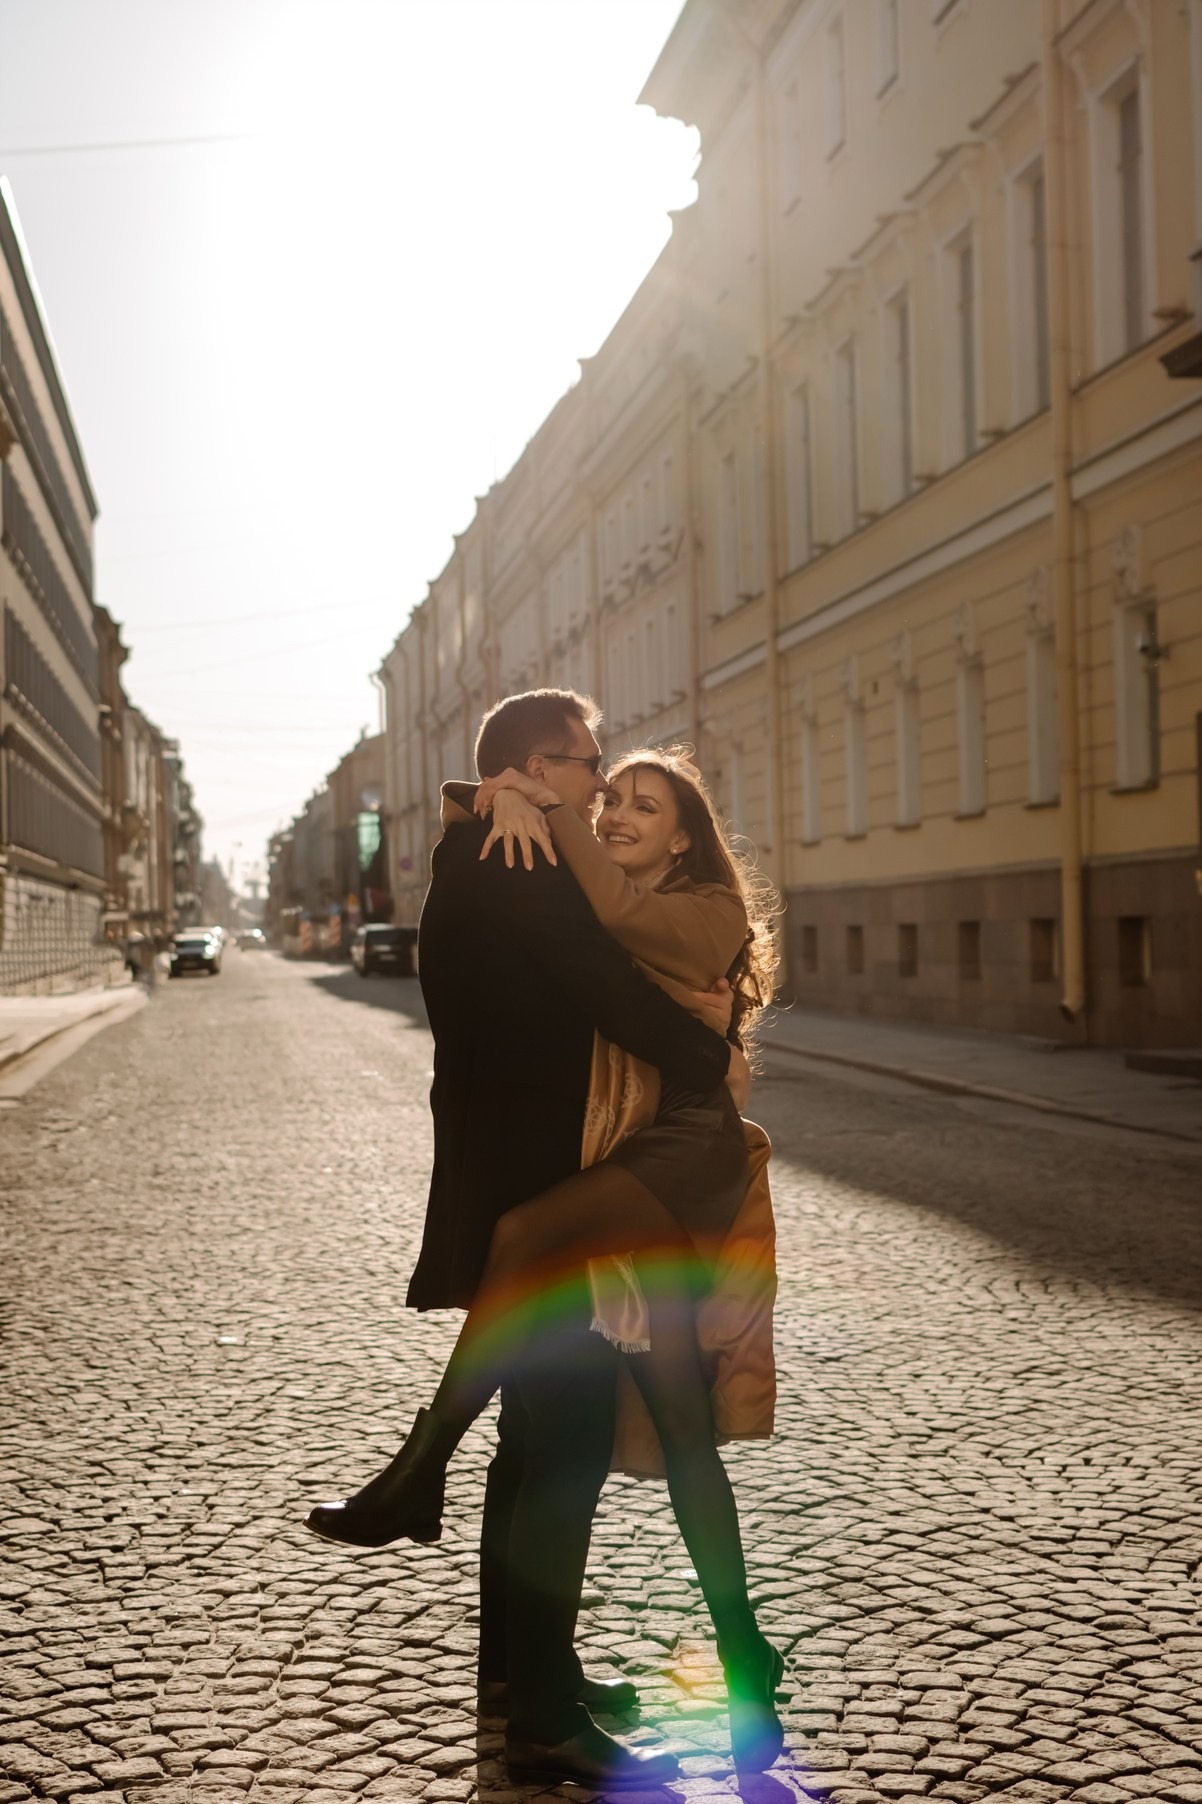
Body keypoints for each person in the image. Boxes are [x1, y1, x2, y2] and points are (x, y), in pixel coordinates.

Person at [308, 726, 785, 1775]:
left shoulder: (686, 906)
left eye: (637, 805)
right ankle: (589, 1666)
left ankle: (418, 1475)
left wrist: (530, 801)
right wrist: (491, 797)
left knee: (610, 1405)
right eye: (602, 791)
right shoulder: (564, 875)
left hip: (670, 1171)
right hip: (613, 1177)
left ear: (682, 838)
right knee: (656, 1428)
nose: (611, 810)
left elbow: (629, 958)